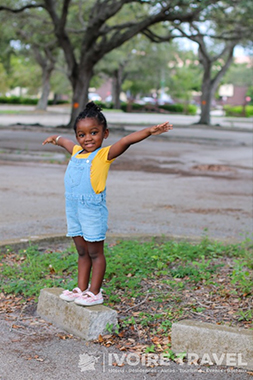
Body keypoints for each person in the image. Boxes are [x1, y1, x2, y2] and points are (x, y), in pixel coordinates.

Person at [42, 101, 173, 306]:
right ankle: (81, 288)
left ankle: (95, 292)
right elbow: (66, 142)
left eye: (94, 133)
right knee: (82, 251)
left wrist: (149, 131)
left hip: (92, 210)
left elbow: (127, 141)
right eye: (82, 135)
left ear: (105, 134)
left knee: (95, 252)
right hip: (74, 208)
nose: (87, 138)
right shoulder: (76, 151)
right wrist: (55, 139)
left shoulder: (104, 155)